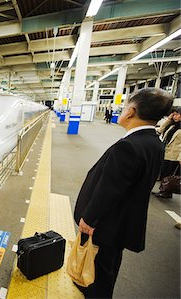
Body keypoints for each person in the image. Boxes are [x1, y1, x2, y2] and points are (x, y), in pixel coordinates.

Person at [73, 88, 173, 298]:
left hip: (107, 224)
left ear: (131, 111)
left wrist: (89, 220)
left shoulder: (128, 146)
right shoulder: (154, 142)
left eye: (126, 105)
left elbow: (110, 189)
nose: (123, 109)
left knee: (98, 274)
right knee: (108, 266)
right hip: (123, 223)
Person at [153, 107, 181, 198]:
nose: (175, 116)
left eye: (177, 114)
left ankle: (166, 192)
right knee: (162, 172)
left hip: (174, 155)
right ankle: (164, 190)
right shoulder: (172, 126)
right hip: (165, 152)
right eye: (174, 114)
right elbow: (160, 130)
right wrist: (168, 120)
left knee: (168, 174)